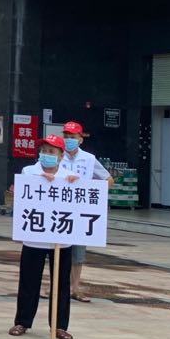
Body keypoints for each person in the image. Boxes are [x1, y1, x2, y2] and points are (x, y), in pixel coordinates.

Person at [11, 134, 79, 339]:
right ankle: (22, 321)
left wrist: (71, 183)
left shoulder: (69, 175)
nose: (46, 155)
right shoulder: (28, 172)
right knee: (29, 280)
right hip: (35, 235)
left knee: (61, 283)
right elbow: (22, 195)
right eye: (43, 151)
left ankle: (60, 326)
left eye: (51, 151)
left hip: (61, 236)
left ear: (60, 156)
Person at [60, 120, 112, 302]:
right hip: (59, 209)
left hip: (80, 211)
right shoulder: (57, 155)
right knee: (57, 250)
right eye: (66, 136)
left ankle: (75, 288)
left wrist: (95, 198)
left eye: (72, 137)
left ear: (80, 139)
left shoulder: (89, 159)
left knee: (78, 253)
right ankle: (56, 287)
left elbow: (108, 180)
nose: (68, 140)